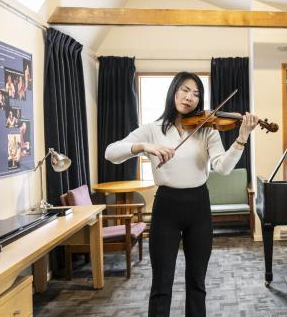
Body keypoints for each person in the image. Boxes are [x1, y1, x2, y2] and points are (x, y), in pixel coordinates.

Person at [105, 72, 259, 317]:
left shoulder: (207, 129)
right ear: (174, 91)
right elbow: (111, 152)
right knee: (161, 284)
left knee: (197, 282)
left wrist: (242, 137)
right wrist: (144, 146)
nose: (190, 97)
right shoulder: (152, 130)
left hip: (198, 205)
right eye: (185, 90)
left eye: (196, 94)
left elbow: (223, 167)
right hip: (166, 206)